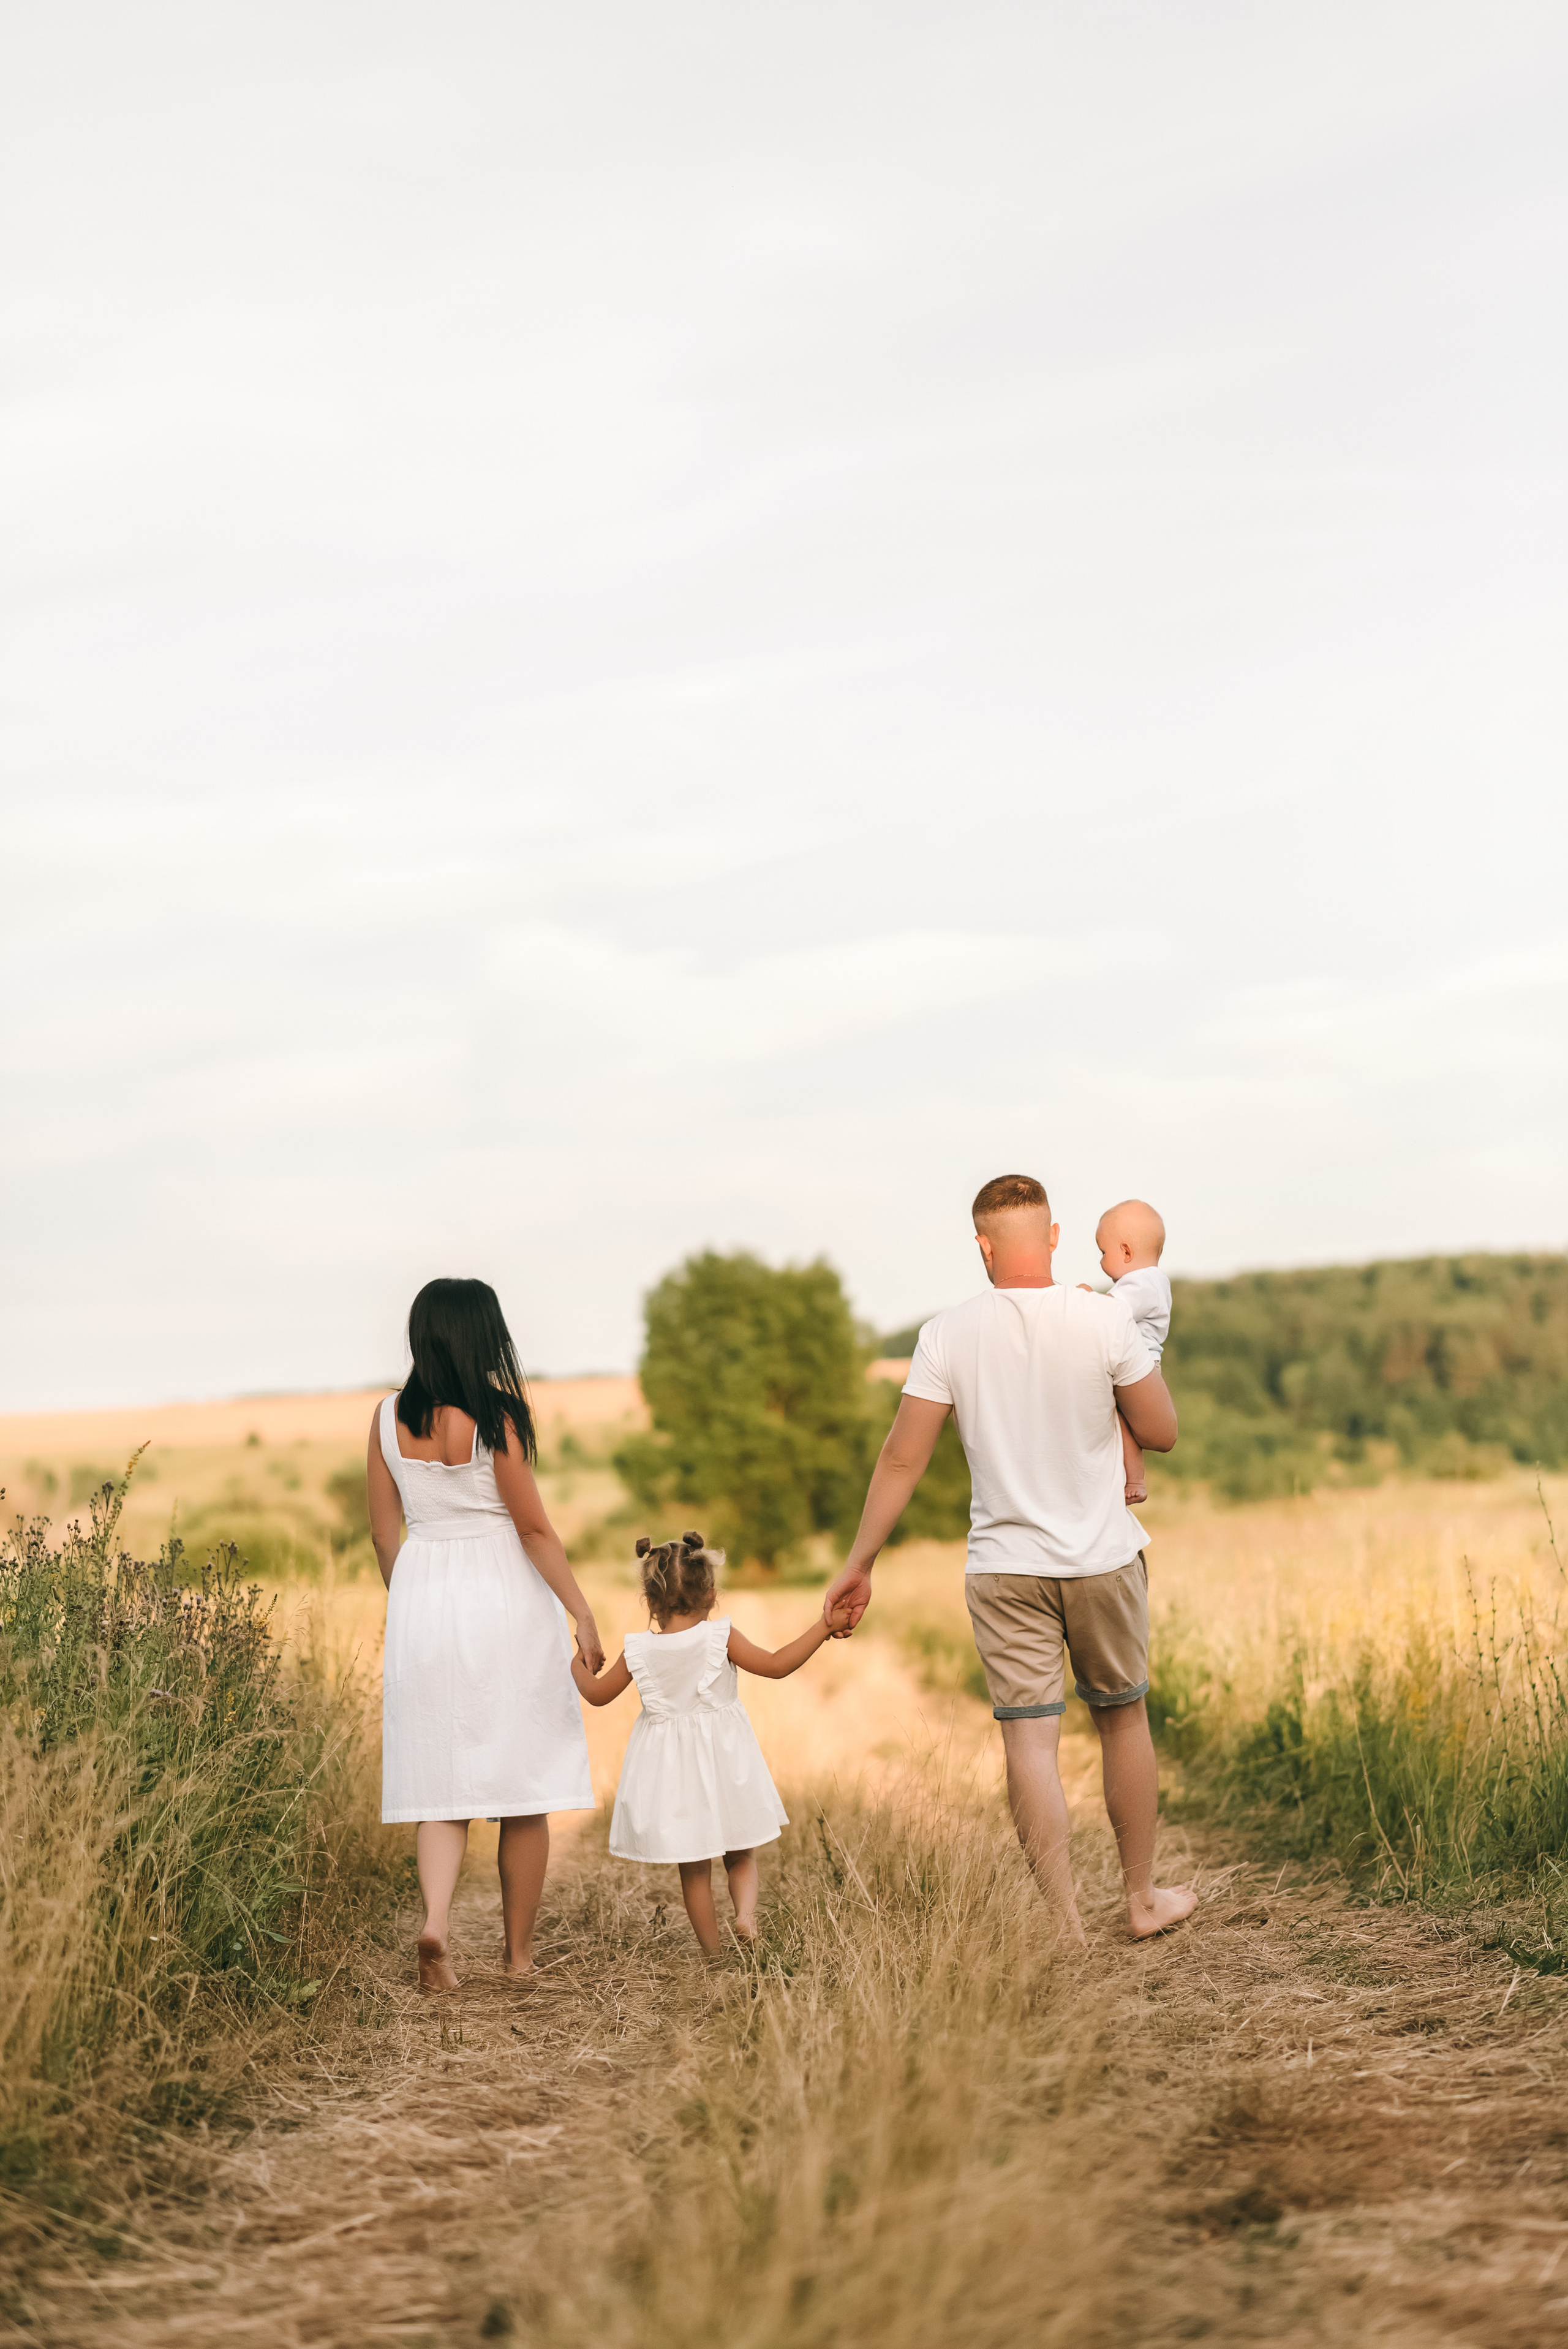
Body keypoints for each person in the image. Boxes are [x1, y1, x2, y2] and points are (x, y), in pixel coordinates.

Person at [821, 1174, 1196, 1945]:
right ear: (1055, 1238)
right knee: (1122, 1721)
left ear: (983, 1247)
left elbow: (900, 1460)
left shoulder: (945, 1335)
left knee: (1029, 1739)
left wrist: (860, 1562)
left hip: (1002, 1568)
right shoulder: (1102, 1320)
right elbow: (1159, 1431)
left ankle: (1064, 1925)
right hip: (1100, 1558)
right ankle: (1138, 1901)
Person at [367, 1277, 605, 1993]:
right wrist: (581, 1612)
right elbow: (533, 1529)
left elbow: (385, 1534)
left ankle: (436, 1921)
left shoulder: (384, 1418)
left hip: (424, 1596)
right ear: (483, 1335)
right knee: (522, 1780)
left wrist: (413, 1600)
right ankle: (518, 1957)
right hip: (502, 1594)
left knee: (439, 1781)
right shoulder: (497, 1417)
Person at [574, 1530, 853, 1952]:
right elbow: (778, 1666)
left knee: (694, 1867)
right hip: (726, 1760)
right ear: (712, 1595)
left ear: (649, 1602)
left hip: (673, 1774)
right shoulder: (720, 1637)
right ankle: (744, 1917)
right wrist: (824, 1626)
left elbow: (596, 1696)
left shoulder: (638, 1651)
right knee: (741, 1852)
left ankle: (713, 1953)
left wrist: (577, 1665)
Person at [1088, 1199, 1172, 1506]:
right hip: (1141, 1364)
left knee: (1121, 1423)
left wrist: (1083, 1300)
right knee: (1118, 1422)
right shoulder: (1151, 1281)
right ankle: (1131, 1479)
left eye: (1103, 1253)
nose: (1100, 1262)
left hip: (1140, 1367)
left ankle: (1135, 1479)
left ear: (1125, 1252)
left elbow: (1111, 1313)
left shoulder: (1143, 1283)